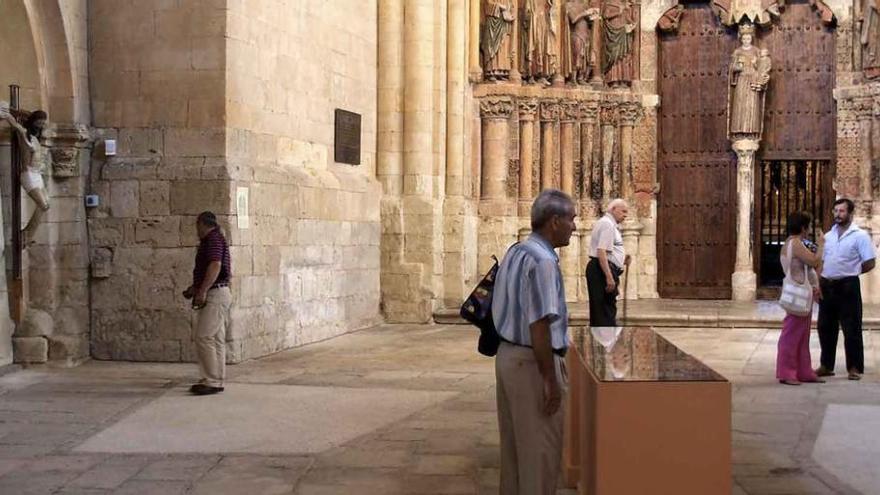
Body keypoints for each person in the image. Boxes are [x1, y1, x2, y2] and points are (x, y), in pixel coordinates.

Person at [491, 189, 576, 495]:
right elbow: (539, 324)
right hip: (531, 363)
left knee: (515, 454)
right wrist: (550, 380)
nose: (574, 227)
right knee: (540, 456)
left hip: (507, 357)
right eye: (571, 219)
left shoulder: (517, 250)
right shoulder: (543, 262)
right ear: (554, 221)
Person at [816, 199, 876, 381]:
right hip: (827, 285)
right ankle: (826, 365)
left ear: (850, 213)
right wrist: (818, 283)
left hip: (848, 286)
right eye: (835, 211)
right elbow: (821, 262)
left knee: (851, 328)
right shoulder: (828, 236)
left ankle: (854, 367)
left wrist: (852, 272)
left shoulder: (860, 236)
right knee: (825, 327)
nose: (837, 215)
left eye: (841, 211)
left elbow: (870, 262)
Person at [184, 211, 233, 395]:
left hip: (215, 294)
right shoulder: (216, 239)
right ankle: (216, 379)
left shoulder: (212, 239)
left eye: (197, 226)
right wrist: (195, 288)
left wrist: (202, 291)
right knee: (216, 339)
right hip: (219, 291)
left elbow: (215, 265)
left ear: (202, 224)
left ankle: (211, 380)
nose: (196, 230)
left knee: (203, 336)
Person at [776, 212, 823, 386]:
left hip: (803, 295)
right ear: (803, 228)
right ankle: (786, 372)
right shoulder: (795, 243)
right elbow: (814, 261)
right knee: (791, 335)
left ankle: (804, 371)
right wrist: (821, 245)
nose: (810, 230)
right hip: (798, 296)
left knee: (803, 336)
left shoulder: (793, 243)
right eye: (809, 226)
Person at [1, 106, 51, 245]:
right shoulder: (24, 133)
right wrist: (5, 113)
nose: (41, 125)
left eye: (42, 123)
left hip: (37, 175)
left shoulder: (35, 138)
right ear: (33, 121)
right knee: (43, 205)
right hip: (28, 174)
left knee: (48, 204)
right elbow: (15, 124)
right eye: (39, 122)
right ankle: (25, 235)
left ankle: (26, 234)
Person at [586, 198, 630, 327]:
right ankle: (605, 341)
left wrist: (622, 258)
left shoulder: (608, 224)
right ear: (613, 209)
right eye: (623, 211)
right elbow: (601, 251)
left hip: (601, 268)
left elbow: (608, 251)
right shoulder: (607, 225)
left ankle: (603, 341)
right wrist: (609, 276)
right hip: (601, 270)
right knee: (605, 311)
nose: (625, 215)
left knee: (604, 309)